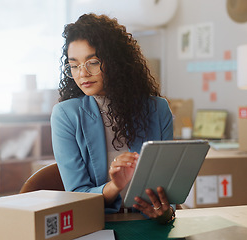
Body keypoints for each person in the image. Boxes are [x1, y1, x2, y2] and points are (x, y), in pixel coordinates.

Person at [50, 13, 174, 223]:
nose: (82, 73)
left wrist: (164, 211)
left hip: (149, 224)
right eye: (74, 65)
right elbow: (77, 195)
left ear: (116, 62)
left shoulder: (157, 109)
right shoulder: (66, 115)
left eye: (93, 62)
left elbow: (167, 186)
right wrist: (115, 185)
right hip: (98, 224)